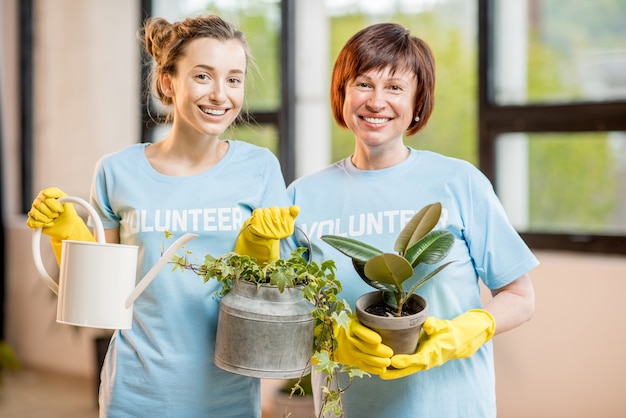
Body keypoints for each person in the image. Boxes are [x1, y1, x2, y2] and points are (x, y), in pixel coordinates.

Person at [26, 15, 298, 417]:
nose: (221, 95)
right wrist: (67, 234)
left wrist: (260, 249)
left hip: (228, 395)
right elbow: (99, 300)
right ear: (168, 82)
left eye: (234, 79)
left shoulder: (259, 168)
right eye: (203, 76)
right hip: (135, 393)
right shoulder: (117, 171)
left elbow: (272, 301)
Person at [285, 22, 537, 417]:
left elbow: (521, 298)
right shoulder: (303, 196)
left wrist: (463, 333)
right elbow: (283, 311)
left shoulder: (460, 182)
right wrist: (329, 336)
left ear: (418, 101)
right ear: (342, 93)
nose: (376, 101)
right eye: (363, 84)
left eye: (395, 88)